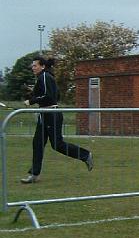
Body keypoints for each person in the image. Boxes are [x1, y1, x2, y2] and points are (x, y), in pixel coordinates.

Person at [20, 56, 93, 184]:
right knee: (37, 143)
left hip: (51, 114)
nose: (32, 68)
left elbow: (49, 96)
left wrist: (31, 100)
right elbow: (53, 95)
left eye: (35, 65)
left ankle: (85, 155)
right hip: (45, 114)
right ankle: (34, 174)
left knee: (57, 144)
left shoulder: (44, 76)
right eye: (32, 66)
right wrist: (32, 93)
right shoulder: (44, 78)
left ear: (42, 66)